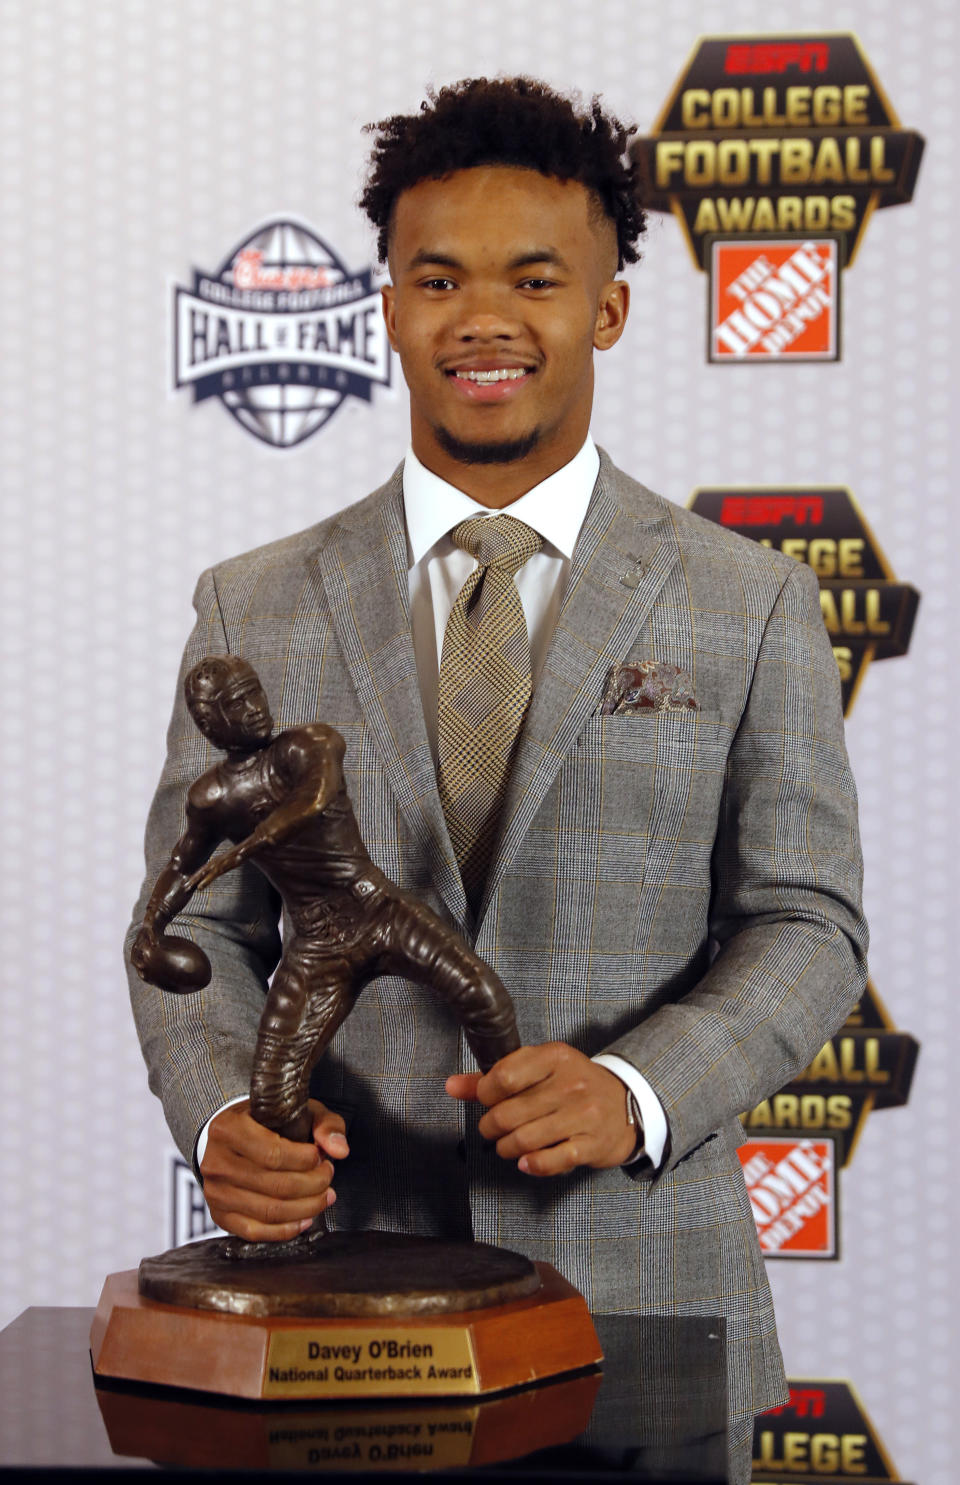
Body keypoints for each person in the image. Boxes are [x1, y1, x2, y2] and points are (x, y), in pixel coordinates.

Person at [126, 78, 867, 1475]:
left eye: (536, 277)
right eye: (437, 276)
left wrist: (638, 1089)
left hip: (647, 1310)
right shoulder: (254, 606)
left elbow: (808, 922)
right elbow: (199, 933)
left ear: (608, 309)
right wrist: (227, 1110)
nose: (483, 318)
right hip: (325, 1308)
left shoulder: (750, 600)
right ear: (390, 307)